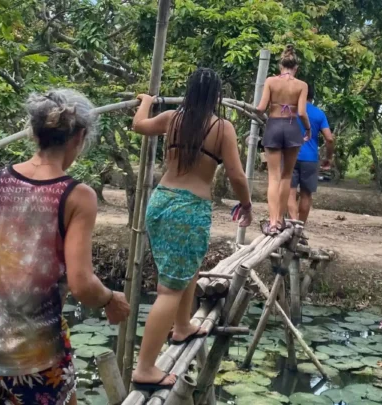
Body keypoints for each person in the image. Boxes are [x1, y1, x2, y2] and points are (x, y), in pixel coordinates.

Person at [0, 89, 130, 405]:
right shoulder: (77, 197)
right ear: (79, 137)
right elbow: (82, 284)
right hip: (37, 356)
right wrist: (110, 299)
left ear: (33, 132)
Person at [130, 68, 252, 390]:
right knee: (169, 289)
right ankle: (145, 368)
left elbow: (138, 125)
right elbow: (238, 177)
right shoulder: (221, 127)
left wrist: (146, 101)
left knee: (187, 267)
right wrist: (247, 205)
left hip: (160, 202)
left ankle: (182, 326)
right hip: (189, 210)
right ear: (216, 97)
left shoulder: (172, 118)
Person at [256, 44, 311, 235]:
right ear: (295, 68)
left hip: (273, 126)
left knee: (273, 176)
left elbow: (261, 108)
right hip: (291, 128)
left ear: (281, 66)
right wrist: (309, 129)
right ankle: (280, 220)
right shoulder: (302, 85)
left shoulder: (271, 81)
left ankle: (271, 222)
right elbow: (302, 112)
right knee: (287, 175)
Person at [287, 85, 334, 225]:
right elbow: (329, 138)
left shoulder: (291, 110)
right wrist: (329, 158)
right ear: (313, 97)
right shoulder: (319, 114)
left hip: (291, 156)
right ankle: (300, 229)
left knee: (290, 192)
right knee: (306, 194)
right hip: (311, 159)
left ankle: (293, 224)